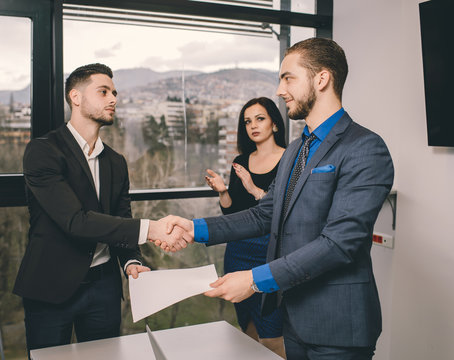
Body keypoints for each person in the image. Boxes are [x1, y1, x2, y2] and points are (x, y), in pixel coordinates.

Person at [162, 37, 394, 359]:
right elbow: (263, 214)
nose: (280, 90)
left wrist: (255, 280)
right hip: (293, 318)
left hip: (338, 326)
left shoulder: (365, 147)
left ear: (322, 79)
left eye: (288, 78)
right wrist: (194, 228)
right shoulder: (298, 149)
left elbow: (341, 242)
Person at [13, 63, 185, 353]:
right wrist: (152, 228)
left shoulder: (116, 162)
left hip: (103, 288)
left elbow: (120, 219)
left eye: (114, 93)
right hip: (51, 287)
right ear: (75, 98)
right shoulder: (43, 151)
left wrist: (131, 261)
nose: (113, 99)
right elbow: (76, 222)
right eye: (103, 91)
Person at [205, 97, 286, 357]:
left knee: (272, 337)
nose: (253, 126)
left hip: (270, 252)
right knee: (248, 332)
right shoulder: (240, 160)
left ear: (274, 123)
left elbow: (286, 213)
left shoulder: (289, 161)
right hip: (238, 252)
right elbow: (233, 214)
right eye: (248, 121)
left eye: (260, 119)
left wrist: (254, 189)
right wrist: (222, 191)